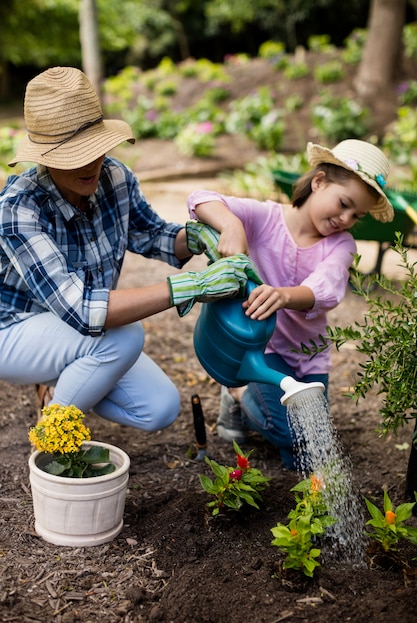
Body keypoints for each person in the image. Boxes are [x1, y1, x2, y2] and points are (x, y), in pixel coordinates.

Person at [0, 66, 260, 431]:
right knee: (125, 336)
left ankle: (61, 381)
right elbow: (85, 310)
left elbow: (154, 236)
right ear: (44, 157)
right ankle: (52, 432)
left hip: (76, 331)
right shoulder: (19, 208)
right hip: (13, 330)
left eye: (96, 149)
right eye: (73, 156)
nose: (91, 163)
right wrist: (193, 287)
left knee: (160, 408)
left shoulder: (115, 177)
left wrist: (203, 235)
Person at [186, 139, 394, 470]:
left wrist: (284, 295)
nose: (345, 218)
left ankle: (264, 420)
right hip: (261, 350)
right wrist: (231, 224)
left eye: (356, 215)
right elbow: (201, 200)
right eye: (343, 203)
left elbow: (327, 288)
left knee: (312, 443)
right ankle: (238, 395)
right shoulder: (264, 218)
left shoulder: (341, 244)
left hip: (308, 358)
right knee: (291, 432)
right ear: (319, 181)